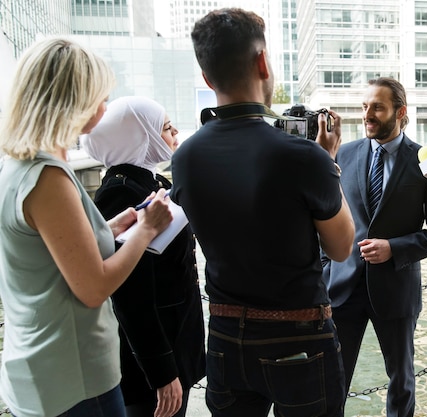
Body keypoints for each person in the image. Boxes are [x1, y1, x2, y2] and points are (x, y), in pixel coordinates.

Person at [170, 8, 355, 417]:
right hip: (299, 338)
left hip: (222, 339)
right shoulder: (304, 157)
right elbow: (341, 247)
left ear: (207, 77)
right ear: (263, 62)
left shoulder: (184, 158)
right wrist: (329, 164)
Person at [0, 38, 173, 417]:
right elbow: (94, 287)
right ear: (72, 99)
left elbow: (53, 253)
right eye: (99, 96)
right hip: (73, 378)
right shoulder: (48, 177)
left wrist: (109, 228)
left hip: (39, 368)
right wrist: (145, 229)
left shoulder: (17, 166)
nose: (104, 107)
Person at [324, 77, 427, 417]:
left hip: (396, 289)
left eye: (377, 108)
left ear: (400, 112)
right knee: (332, 381)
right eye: (365, 107)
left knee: (401, 381)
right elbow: (325, 218)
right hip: (342, 287)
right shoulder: (345, 152)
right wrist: (326, 269)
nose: (368, 114)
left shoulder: (426, 161)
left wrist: (393, 247)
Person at [81, 96, 206, 417]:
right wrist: (162, 372)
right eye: (165, 127)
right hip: (151, 361)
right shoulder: (121, 191)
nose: (175, 131)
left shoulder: (152, 181)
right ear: (140, 136)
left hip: (175, 341)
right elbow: (130, 294)